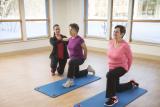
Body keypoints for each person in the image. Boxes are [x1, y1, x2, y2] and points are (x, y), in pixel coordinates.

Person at [104, 25, 139, 106]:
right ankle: (131, 84)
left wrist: (127, 69)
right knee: (117, 88)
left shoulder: (125, 46)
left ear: (122, 34)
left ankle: (113, 98)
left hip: (122, 67)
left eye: (117, 31)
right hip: (112, 68)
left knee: (109, 75)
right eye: (114, 31)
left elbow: (130, 58)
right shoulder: (110, 42)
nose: (115, 33)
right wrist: (110, 67)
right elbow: (110, 56)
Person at [63, 23, 95, 88]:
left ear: (75, 30)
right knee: (76, 75)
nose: (69, 31)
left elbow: (85, 48)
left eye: (71, 29)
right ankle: (88, 70)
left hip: (79, 59)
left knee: (71, 62)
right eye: (69, 29)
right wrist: (59, 38)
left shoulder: (79, 39)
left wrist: (85, 57)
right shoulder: (70, 39)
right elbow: (64, 39)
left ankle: (70, 80)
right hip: (73, 59)